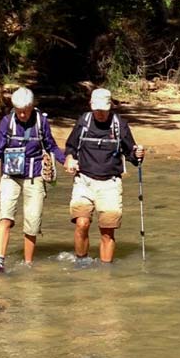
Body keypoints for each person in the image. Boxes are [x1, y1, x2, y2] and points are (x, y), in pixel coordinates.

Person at [0, 87, 66, 273]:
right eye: (19, 110)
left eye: (26, 110)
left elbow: (51, 146)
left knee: (32, 223)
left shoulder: (42, 122)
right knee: (5, 217)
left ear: (32, 106)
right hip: (10, 177)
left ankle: (28, 265)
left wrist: (67, 162)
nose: (22, 114)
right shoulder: (7, 122)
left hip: (35, 177)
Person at [64, 87, 145, 264]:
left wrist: (138, 155)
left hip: (110, 184)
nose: (100, 114)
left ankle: (105, 273)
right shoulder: (83, 121)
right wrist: (69, 159)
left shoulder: (120, 125)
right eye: (97, 110)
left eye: (104, 110)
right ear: (91, 106)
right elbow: (70, 147)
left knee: (107, 231)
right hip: (83, 181)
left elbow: (131, 155)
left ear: (110, 107)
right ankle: (81, 262)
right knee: (82, 223)